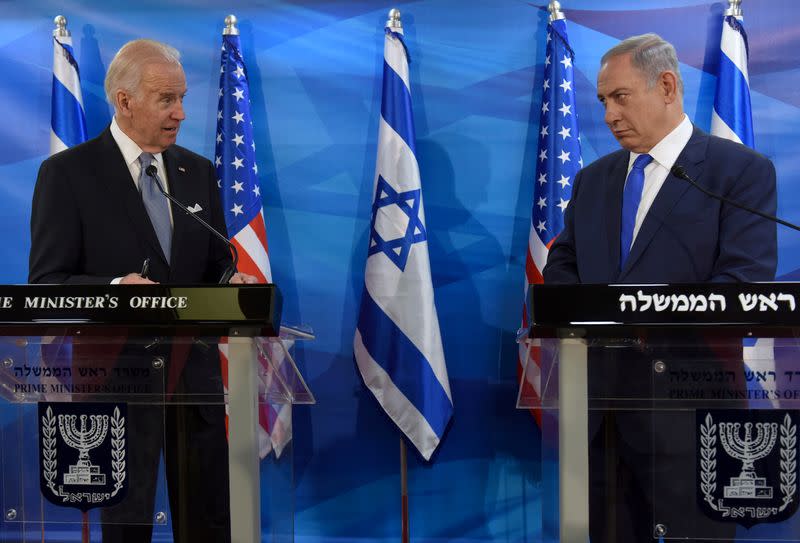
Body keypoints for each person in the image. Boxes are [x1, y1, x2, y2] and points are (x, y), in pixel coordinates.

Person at [543, 34, 777, 542]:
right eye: (603, 100)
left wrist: (638, 316)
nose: (608, 114)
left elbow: (743, 285)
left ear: (667, 85)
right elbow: (561, 274)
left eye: (620, 97)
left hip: (691, 419)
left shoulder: (738, 173)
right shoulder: (592, 181)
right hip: (602, 420)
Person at [29, 39, 257, 543]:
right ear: (124, 100)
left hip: (193, 382)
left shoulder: (196, 172)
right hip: (117, 383)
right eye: (165, 99)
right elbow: (47, 284)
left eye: (182, 98)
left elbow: (217, 265)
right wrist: (114, 290)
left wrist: (231, 283)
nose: (179, 113)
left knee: (209, 524)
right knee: (127, 529)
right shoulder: (68, 174)